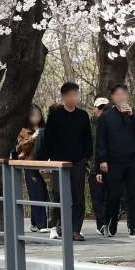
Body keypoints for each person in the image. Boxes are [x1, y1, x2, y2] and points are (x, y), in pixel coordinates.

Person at [39, 82, 93, 240]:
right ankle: (60, 226)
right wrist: (44, 161)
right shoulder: (55, 116)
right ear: (63, 97)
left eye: (75, 94)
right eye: (69, 95)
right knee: (59, 194)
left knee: (78, 196)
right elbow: (48, 140)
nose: (73, 98)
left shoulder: (83, 115)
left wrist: (85, 157)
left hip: (77, 161)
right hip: (58, 162)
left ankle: (76, 229)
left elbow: (88, 139)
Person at [95, 83, 135, 239]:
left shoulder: (134, 114)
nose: (121, 97)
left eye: (123, 94)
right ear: (112, 97)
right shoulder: (106, 117)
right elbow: (100, 141)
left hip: (132, 161)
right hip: (113, 162)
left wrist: (132, 115)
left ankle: (133, 228)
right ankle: (110, 222)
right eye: (117, 94)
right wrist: (102, 161)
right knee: (114, 195)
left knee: (133, 195)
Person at [16, 103, 48, 232]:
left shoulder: (44, 129)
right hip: (30, 164)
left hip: (45, 164)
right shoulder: (23, 131)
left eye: (38, 115)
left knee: (43, 193)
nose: (36, 118)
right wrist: (32, 138)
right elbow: (21, 148)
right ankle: (42, 224)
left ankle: (35, 223)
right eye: (33, 115)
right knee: (36, 193)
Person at [89, 97, 110, 233]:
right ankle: (101, 224)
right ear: (95, 109)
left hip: (110, 165)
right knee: (97, 197)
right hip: (93, 166)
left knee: (109, 196)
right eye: (100, 108)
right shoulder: (89, 124)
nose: (102, 111)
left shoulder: (112, 124)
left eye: (105, 108)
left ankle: (107, 222)